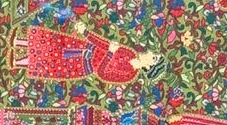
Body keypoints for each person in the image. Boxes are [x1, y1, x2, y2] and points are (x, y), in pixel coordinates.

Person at [12, 26, 162, 84]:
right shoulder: (130, 53)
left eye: (154, 57)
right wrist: (86, 33)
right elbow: (104, 45)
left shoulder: (129, 75)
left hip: (83, 65)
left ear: (150, 67)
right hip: (85, 47)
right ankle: (18, 41)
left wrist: (110, 53)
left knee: (52, 62)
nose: (150, 52)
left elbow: (102, 74)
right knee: (54, 44)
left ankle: (18, 62)